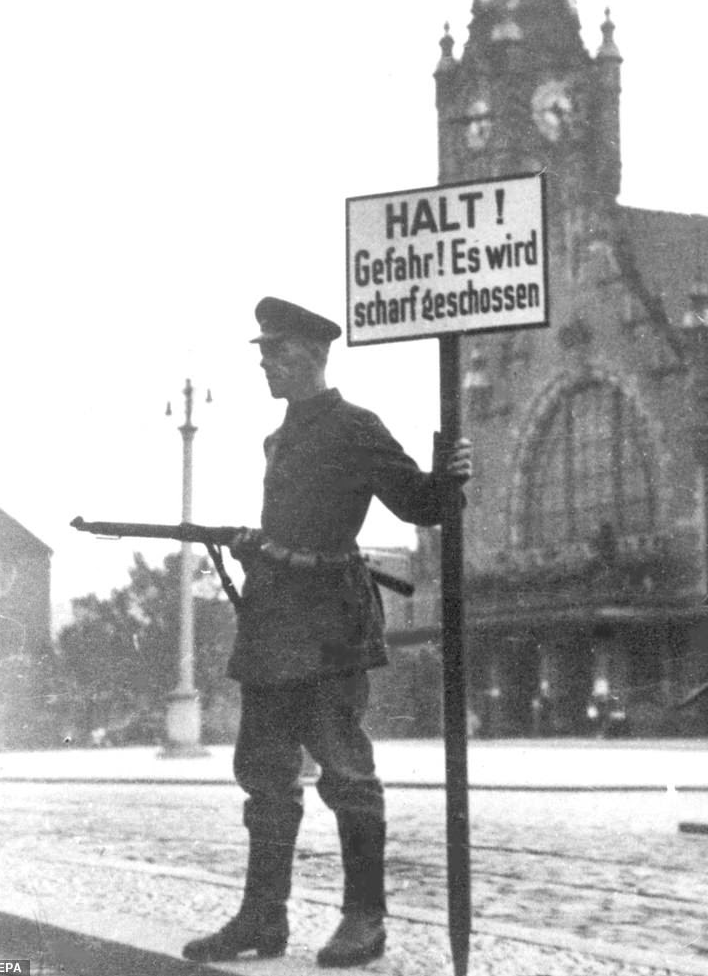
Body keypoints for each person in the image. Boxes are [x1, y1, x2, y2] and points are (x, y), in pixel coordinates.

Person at [182, 297, 473, 968]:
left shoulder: (354, 426)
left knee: (345, 771)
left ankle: (364, 920)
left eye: (277, 353)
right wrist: (261, 545)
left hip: (329, 627)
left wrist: (449, 470)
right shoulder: (279, 438)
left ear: (313, 354)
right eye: (263, 354)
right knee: (264, 775)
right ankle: (262, 917)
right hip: (273, 624)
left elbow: (421, 504)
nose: (266, 365)